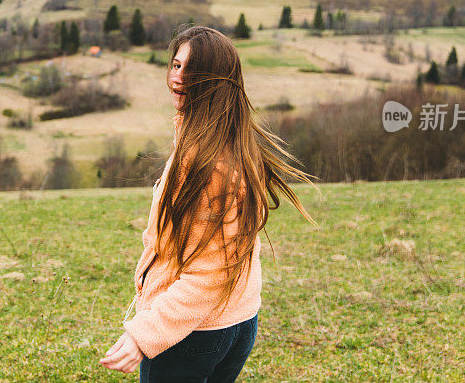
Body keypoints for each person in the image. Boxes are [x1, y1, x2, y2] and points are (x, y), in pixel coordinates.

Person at [99, 26, 316, 381]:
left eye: (191, 70)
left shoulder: (208, 162)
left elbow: (212, 272)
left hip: (194, 333)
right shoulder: (231, 138)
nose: (177, 77)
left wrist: (144, 334)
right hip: (238, 320)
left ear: (216, 80)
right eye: (176, 64)